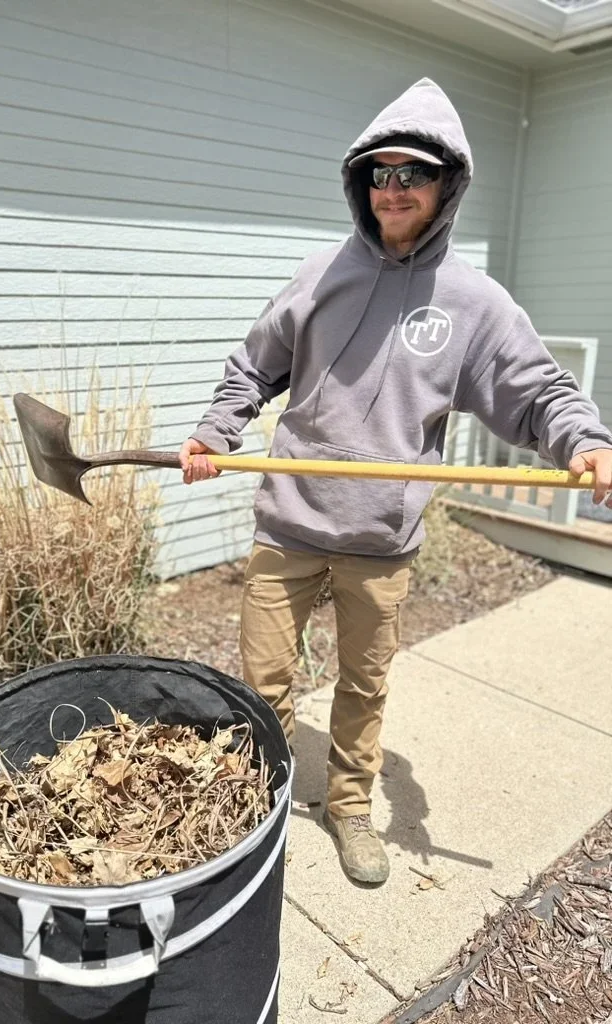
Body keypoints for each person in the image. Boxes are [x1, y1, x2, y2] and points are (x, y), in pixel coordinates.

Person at [178, 78, 612, 885]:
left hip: (380, 538)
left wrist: (585, 440)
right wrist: (214, 430)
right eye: (379, 173)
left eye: (412, 173)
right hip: (290, 525)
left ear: (448, 183)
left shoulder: (476, 304)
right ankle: (265, 799)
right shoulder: (320, 275)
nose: (394, 189)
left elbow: (539, 392)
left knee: (363, 684)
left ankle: (347, 806)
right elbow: (252, 366)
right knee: (265, 678)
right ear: (360, 182)